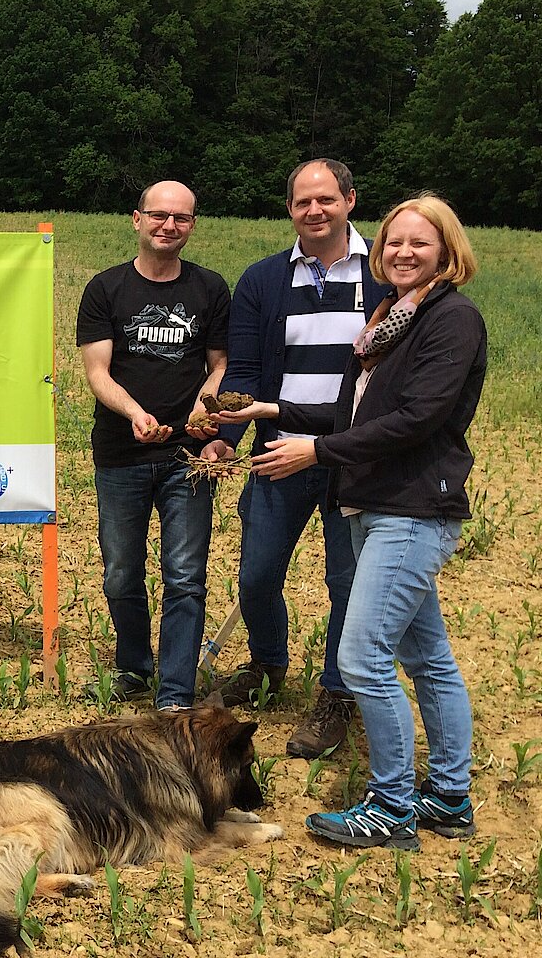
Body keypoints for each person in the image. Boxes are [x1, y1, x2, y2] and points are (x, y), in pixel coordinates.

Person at [218, 193, 485, 849]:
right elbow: (352, 419)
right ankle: (449, 798)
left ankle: (392, 806)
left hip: (411, 509)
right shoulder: (388, 320)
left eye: (419, 243)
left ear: (448, 251)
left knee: (363, 657)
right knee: (428, 659)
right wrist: (273, 415)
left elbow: (417, 419)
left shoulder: (451, 320)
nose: (402, 252)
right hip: (373, 503)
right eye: (394, 242)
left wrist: (319, 452)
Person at [213, 159, 393, 759]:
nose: (314, 211)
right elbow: (241, 373)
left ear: (349, 200)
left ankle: (337, 694)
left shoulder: (385, 277)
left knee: (347, 582)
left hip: (355, 460)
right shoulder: (263, 281)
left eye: (325, 199)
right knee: (257, 574)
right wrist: (224, 439)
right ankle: (267, 663)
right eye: (301, 202)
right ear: (289, 209)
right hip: (277, 453)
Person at [76, 181, 233, 712]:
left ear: (192, 225)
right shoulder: (106, 289)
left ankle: (175, 694)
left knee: (185, 576)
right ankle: (134, 668)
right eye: (159, 216)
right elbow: (97, 371)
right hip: (120, 454)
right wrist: (134, 413)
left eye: (182, 218)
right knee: (121, 572)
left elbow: (220, 364)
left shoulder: (210, 289)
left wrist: (205, 405)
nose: (170, 226)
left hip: (187, 460)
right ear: (136, 220)